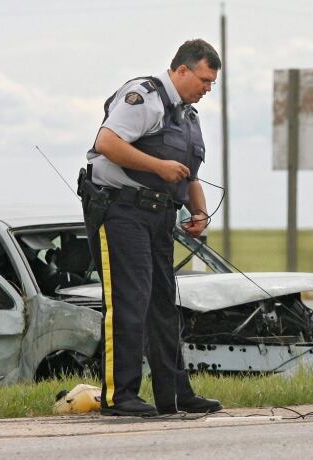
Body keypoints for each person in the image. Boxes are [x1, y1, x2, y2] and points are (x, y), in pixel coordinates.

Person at [79, 39, 222, 417]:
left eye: (212, 83)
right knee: (131, 301)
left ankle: (174, 396)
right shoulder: (144, 97)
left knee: (163, 306)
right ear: (182, 70)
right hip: (121, 211)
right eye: (205, 80)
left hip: (161, 216)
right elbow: (106, 142)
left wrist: (200, 211)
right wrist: (158, 168)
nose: (208, 88)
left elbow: (190, 176)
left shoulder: (189, 117)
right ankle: (120, 395)